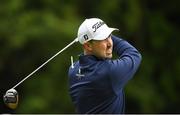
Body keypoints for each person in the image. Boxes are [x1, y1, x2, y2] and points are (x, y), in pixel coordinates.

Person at [68, 18, 142, 114]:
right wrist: (102, 30)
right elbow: (134, 54)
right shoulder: (109, 73)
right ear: (88, 46)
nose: (110, 43)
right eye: (103, 39)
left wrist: (99, 31)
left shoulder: (73, 71)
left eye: (109, 36)